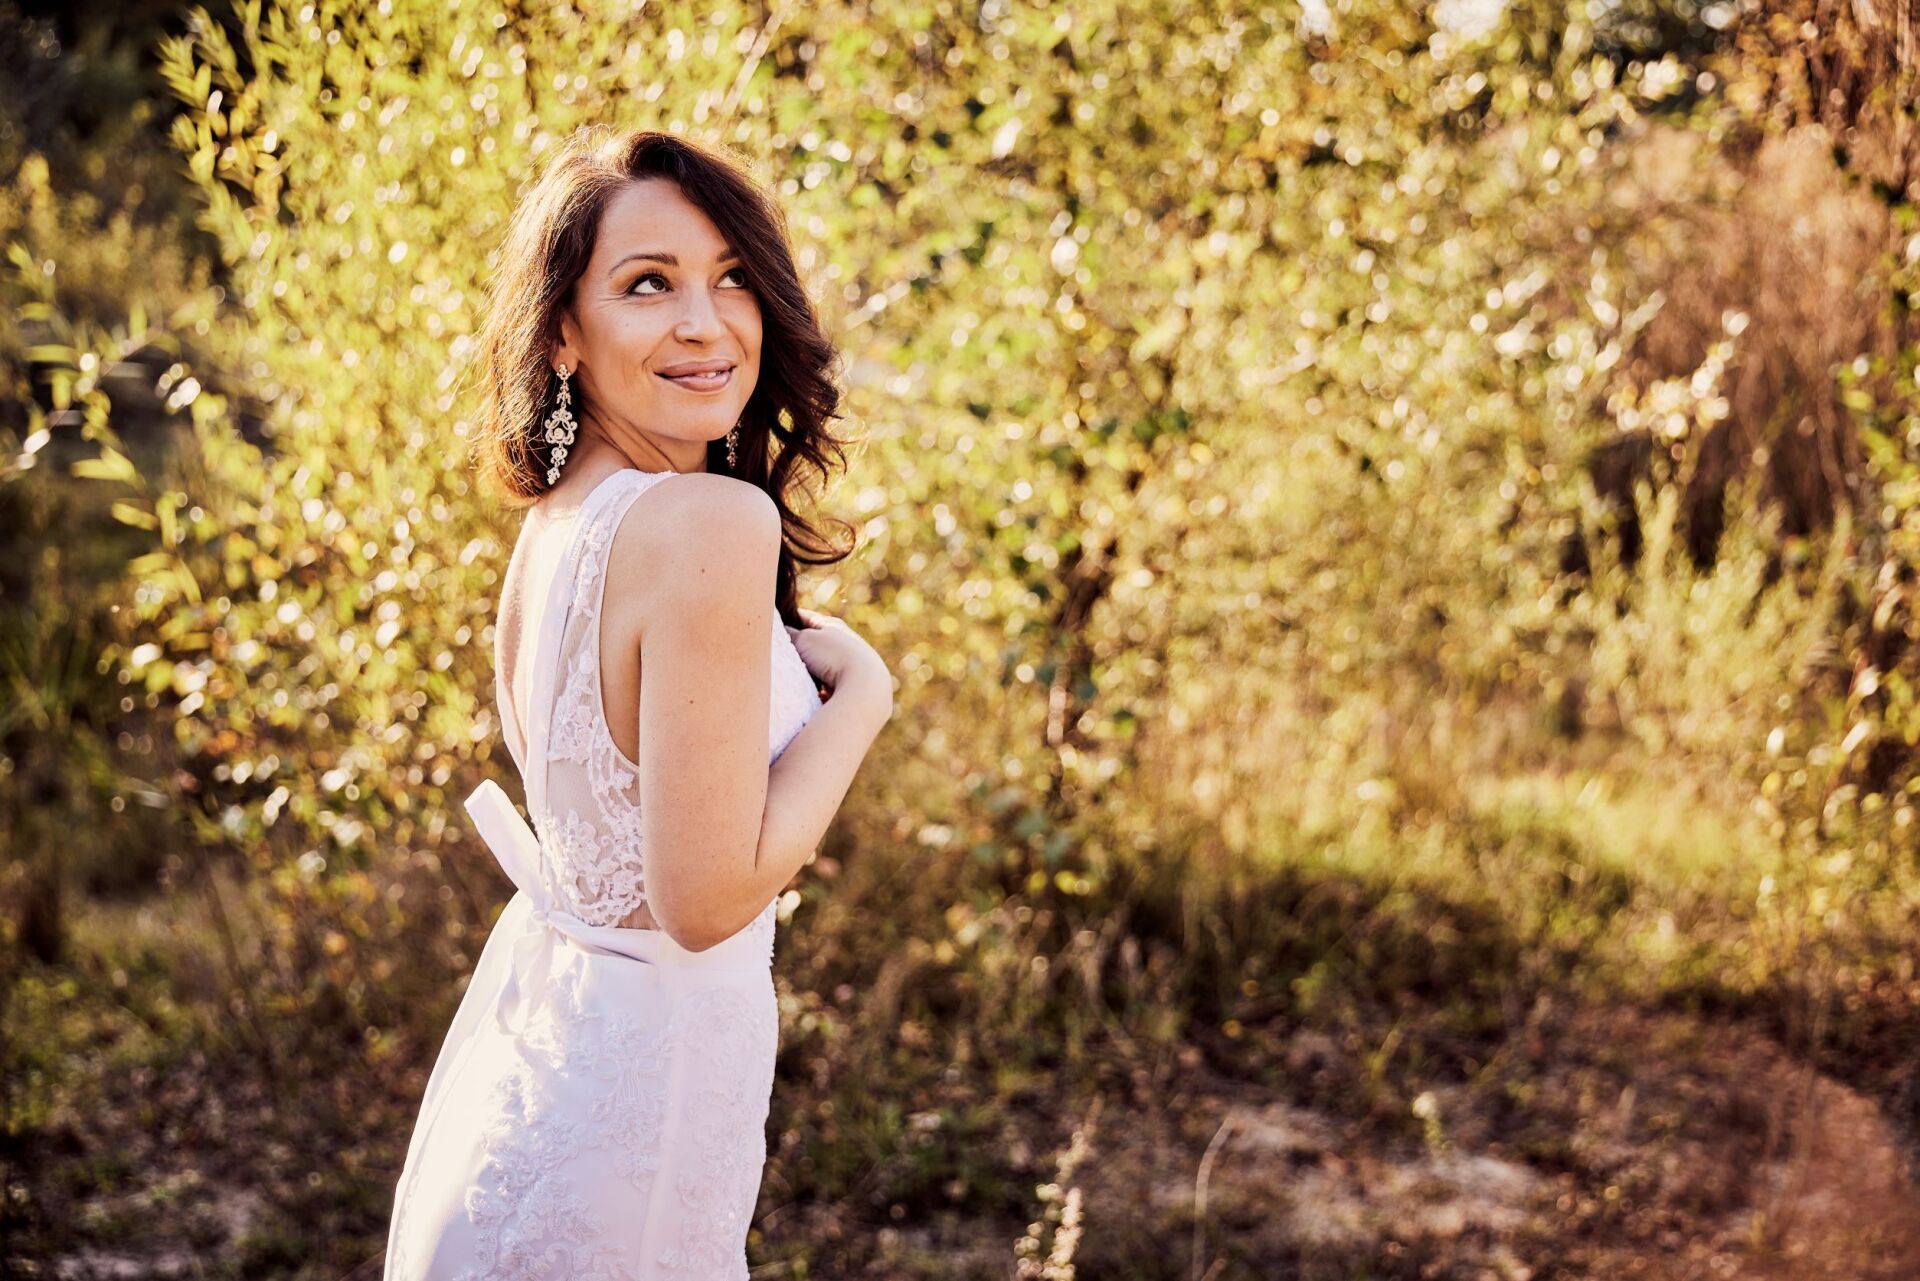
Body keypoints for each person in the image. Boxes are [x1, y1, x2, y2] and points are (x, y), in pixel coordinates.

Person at [383, 124, 894, 1279]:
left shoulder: (556, 528)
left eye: (732, 280)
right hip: (638, 1115)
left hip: (551, 1074)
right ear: (562, 329)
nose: (707, 324)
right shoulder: (708, 523)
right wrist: (863, 696)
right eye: (647, 284)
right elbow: (704, 899)